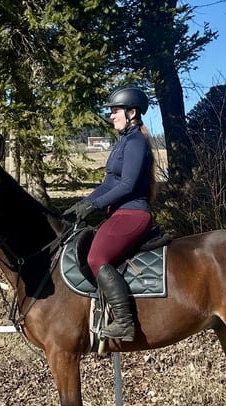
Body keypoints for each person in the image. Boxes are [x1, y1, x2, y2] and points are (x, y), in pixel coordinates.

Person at [64, 86, 158, 341]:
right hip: (118, 214)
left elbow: (127, 185)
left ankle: (125, 323)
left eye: (115, 111)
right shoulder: (123, 143)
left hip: (133, 214)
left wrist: (94, 206)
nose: (111, 116)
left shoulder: (137, 141)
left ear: (132, 113)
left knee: (97, 258)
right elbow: (108, 185)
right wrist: (81, 205)